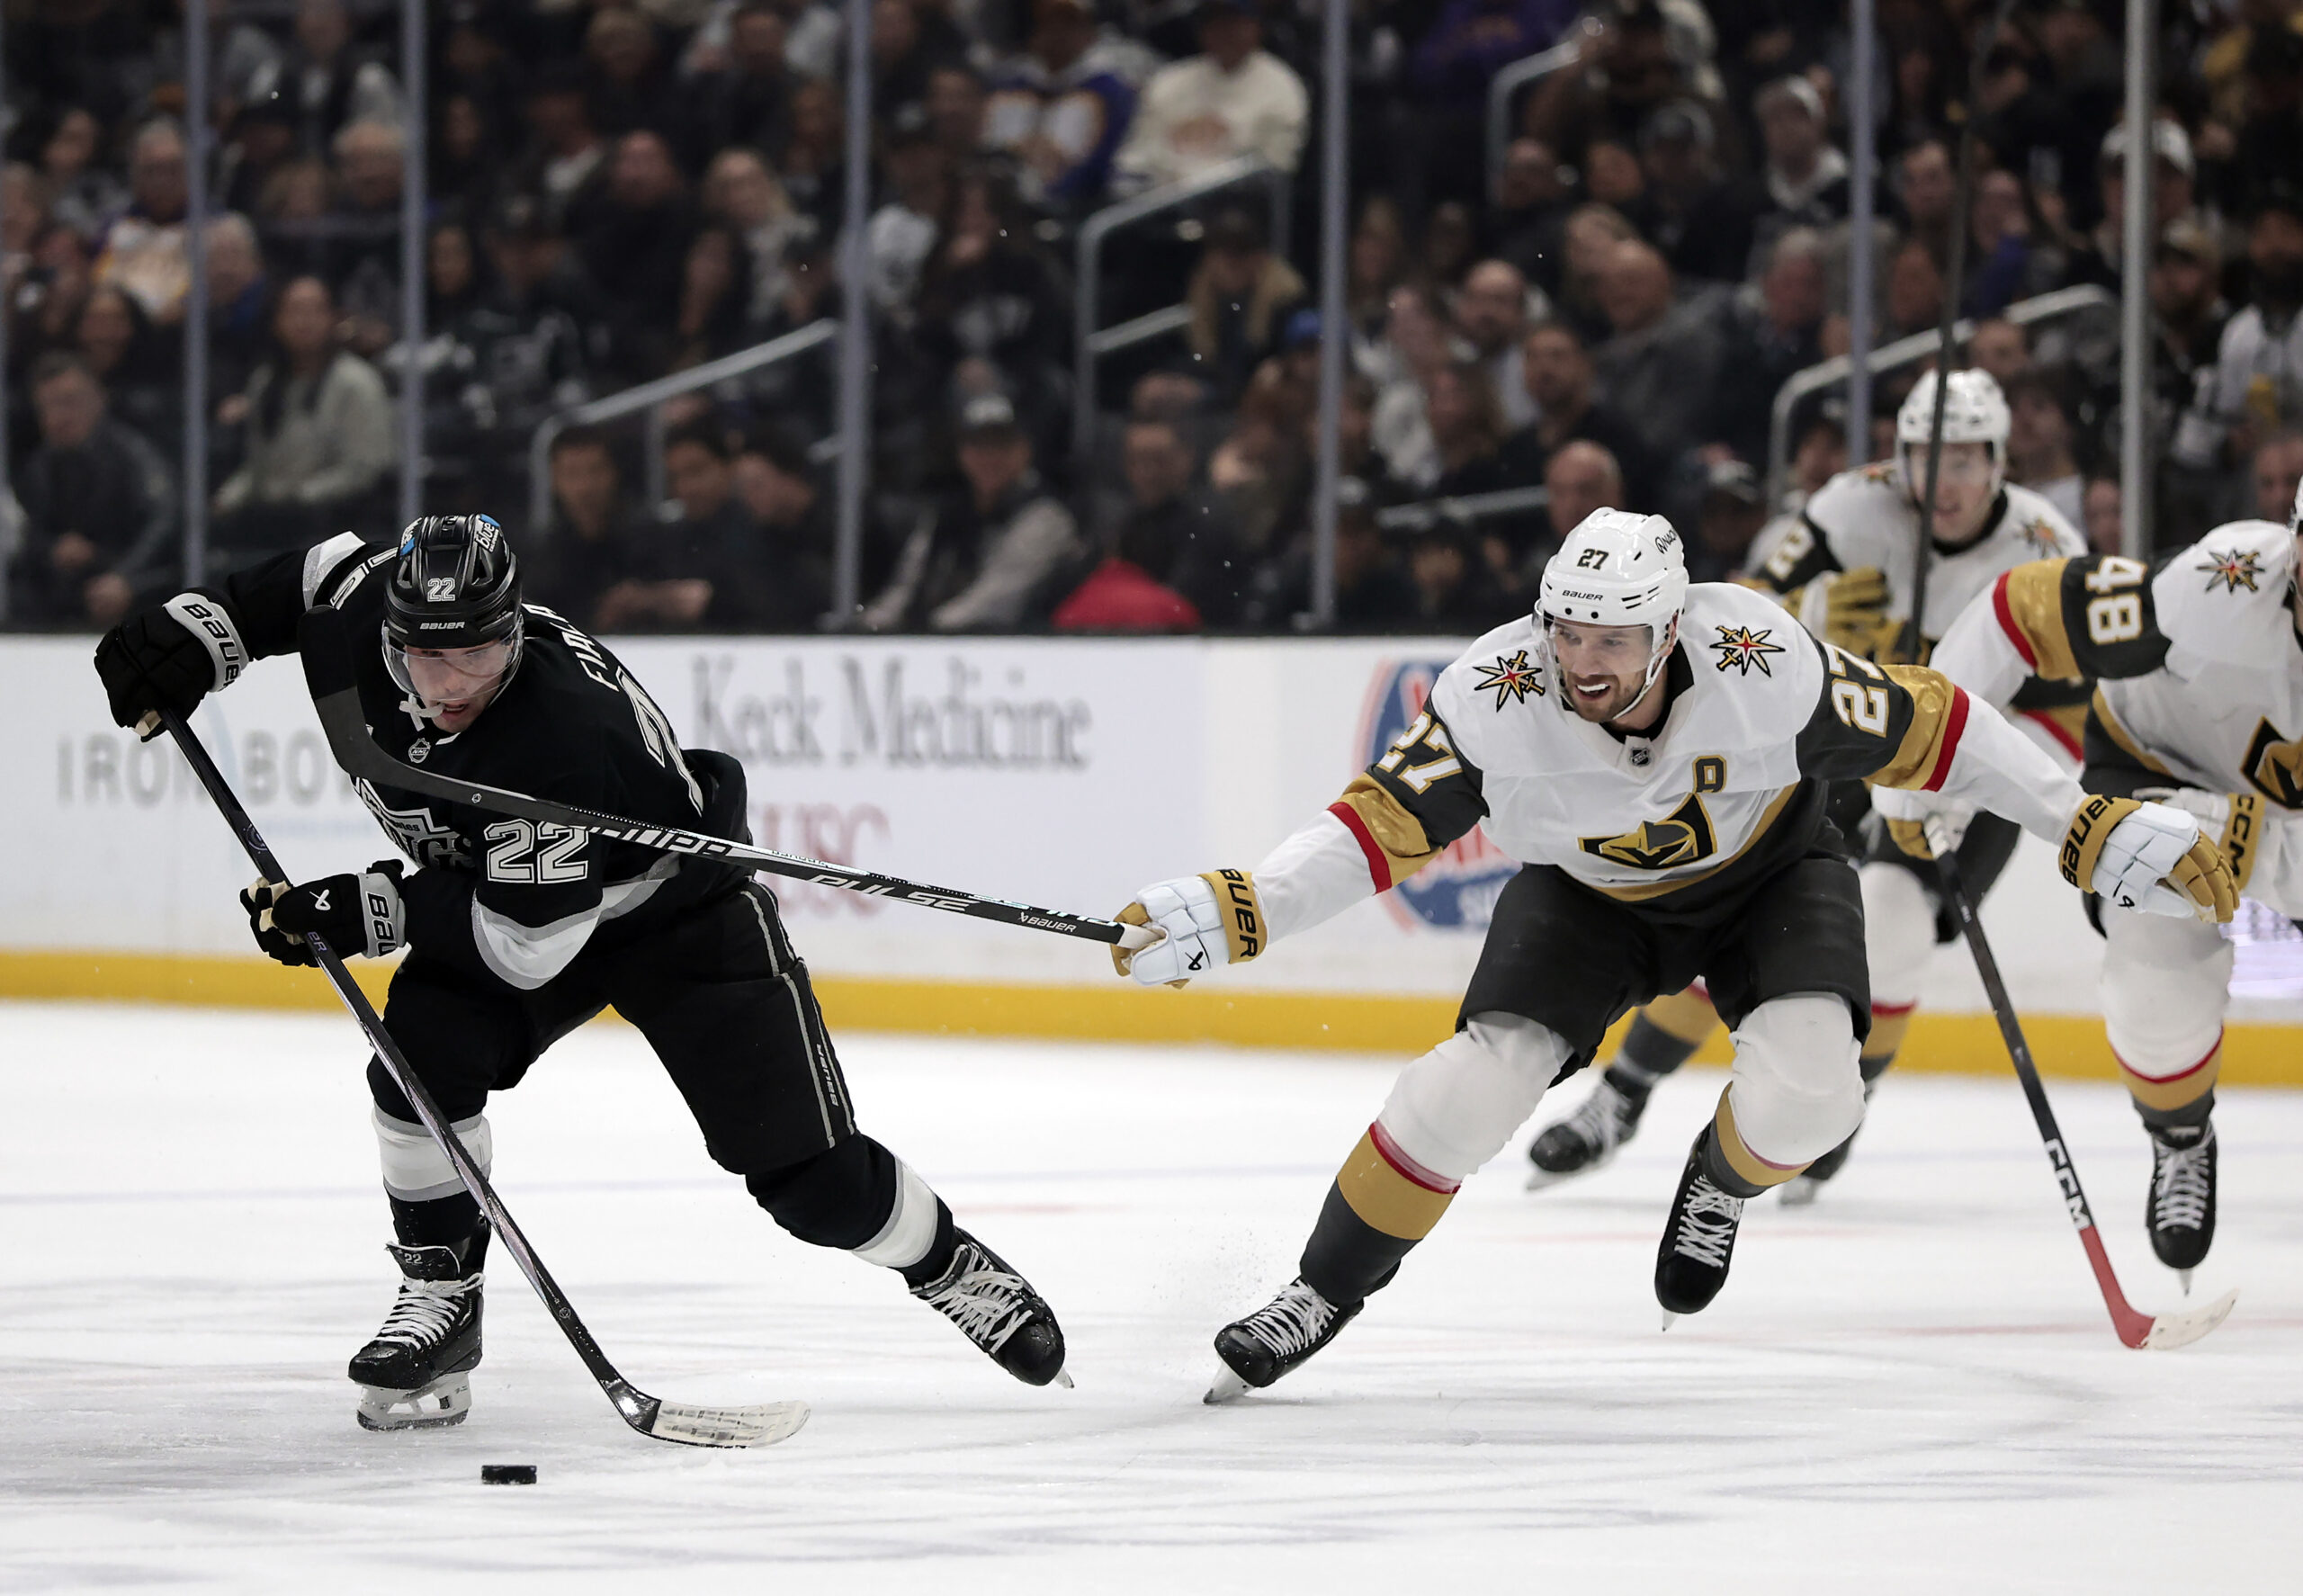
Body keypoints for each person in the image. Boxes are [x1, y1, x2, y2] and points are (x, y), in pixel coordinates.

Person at [1112, 507, 2230, 1398]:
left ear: (1672, 630)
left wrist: (2086, 822)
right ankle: (1320, 1290)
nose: (1581, 664)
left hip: (1769, 875)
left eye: (1612, 639)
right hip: (1589, 899)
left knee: (1812, 1099)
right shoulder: (1493, 695)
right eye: (1566, 632)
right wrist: (1247, 902)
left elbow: (1941, 726)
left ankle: (1718, 1178)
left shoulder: (1761, 660)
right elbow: (1371, 829)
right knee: (1466, 1087)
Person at [89, 515, 1071, 1430]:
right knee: (419, 1060)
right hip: (514, 894)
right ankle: (443, 1296)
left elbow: (527, 946)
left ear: (514, 627)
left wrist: (367, 908)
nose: (452, 677)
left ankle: (946, 1265)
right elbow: (315, 573)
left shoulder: (558, 737)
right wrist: (199, 631)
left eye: (477, 647)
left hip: (674, 911)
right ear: (392, 628)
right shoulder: (360, 613)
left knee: (809, 1183)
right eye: (429, 651)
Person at [1526, 372, 2089, 1201]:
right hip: (1850, 737)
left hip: (1970, 769)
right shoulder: (1846, 507)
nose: (1945, 482)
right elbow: (1739, 611)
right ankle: (1620, 1099)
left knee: (1891, 930)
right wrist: (1818, 617)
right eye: (1925, 459)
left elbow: (2070, 710)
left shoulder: (2049, 547)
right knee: (1739, 906)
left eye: (1966, 460)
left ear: (2001, 459)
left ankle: (1838, 1107)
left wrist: (1966, 787)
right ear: (1897, 459)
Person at [1888, 498, 2303, 1283]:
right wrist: (1925, 756)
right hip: (2162, 770)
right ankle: (2180, 1134)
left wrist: (2244, 838)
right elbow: (2019, 610)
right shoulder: (2218, 588)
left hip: (2236, 821)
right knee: (2153, 969)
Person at [211, 274, 397, 559]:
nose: (304, 322)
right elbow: (257, 465)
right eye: (293, 311)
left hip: (336, 521)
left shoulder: (357, 382)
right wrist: (226, 500)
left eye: (314, 311)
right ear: (276, 322)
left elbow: (363, 470)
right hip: (272, 517)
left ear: (334, 318)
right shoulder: (265, 383)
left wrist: (297, 498)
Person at [861, 393, 1081, 632]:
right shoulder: (946, 513)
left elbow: (993, 602)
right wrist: (869, 628)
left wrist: (924, 633)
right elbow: (905, 588)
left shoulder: (1045, 517)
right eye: (978, 444)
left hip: (1012, 649)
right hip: (935, 641)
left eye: (1001, 444)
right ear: (962, 452)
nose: (989, 456)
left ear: (1024, 449)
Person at [7, 353, 175, 627]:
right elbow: (26, 531)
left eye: (69, 402)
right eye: (47, 407)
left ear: (99, 398)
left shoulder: (133, 455)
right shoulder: (38, 467)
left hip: (131, 580)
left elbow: (164, 522)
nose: (59, 416)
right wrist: (53, 548)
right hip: (59, 592)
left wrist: (125, 576)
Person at [1111, 0, 1307, 193]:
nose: (1223, 30)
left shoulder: (1281, 86)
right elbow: (1134, 162)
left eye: (1232, 20)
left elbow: (1277, 169)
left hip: (1236, 205)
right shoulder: (1168, 82)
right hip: (1157, 209)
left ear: (1256, 26)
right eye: (1213, 21)